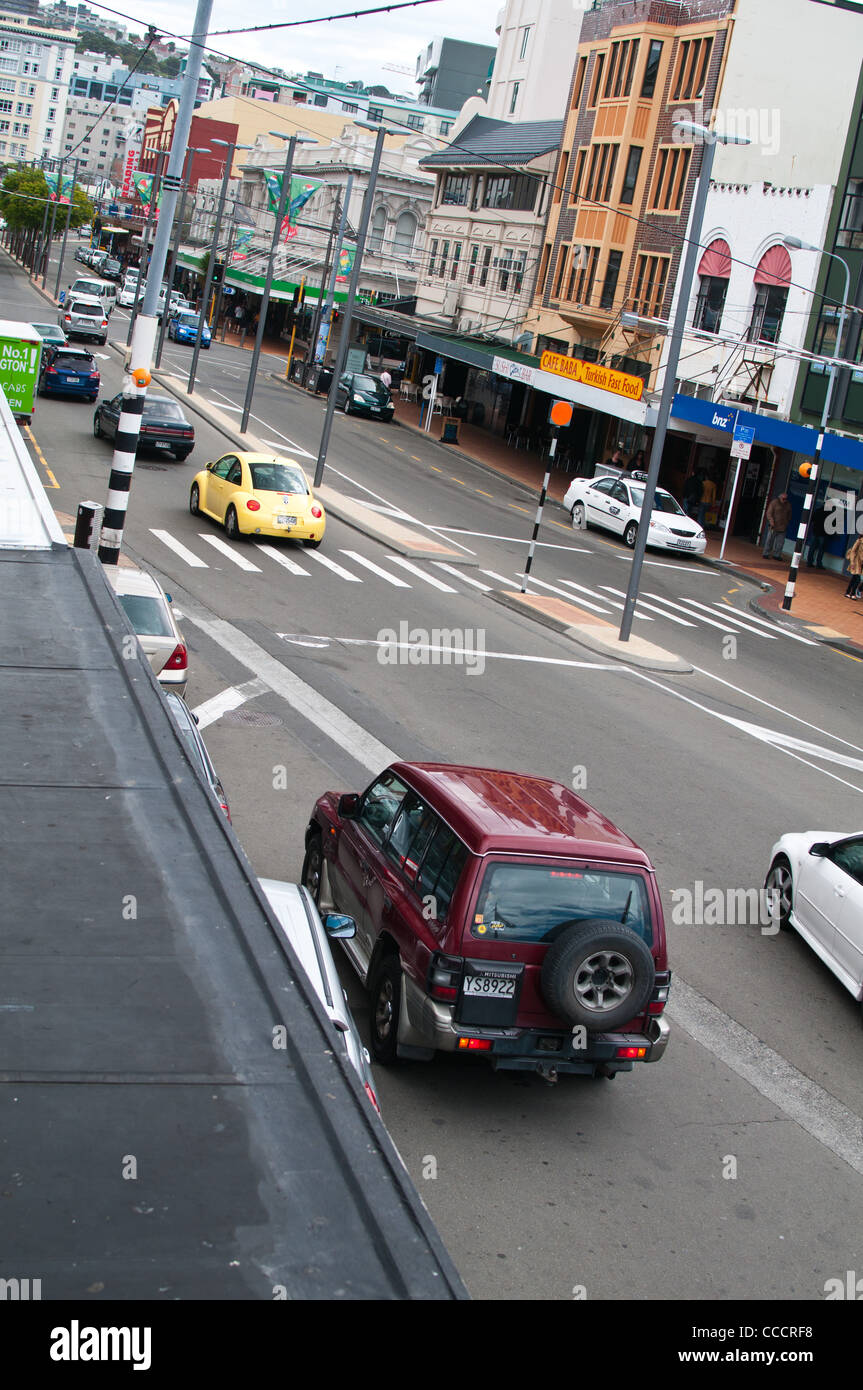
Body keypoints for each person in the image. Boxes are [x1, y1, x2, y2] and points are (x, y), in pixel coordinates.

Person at [762, 491, 792, 559]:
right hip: (774, 526)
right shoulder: (774, 503)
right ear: (780, 497)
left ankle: (777, 555)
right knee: (770, 541)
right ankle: (766, 553)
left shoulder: (788, 505)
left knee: (780, 543)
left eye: (786, 499)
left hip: (783, 526)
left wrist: (787, 522)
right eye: (783, 499)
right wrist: (771, 521)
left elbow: (789, 514)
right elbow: (769, 513)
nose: (785, 500)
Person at [807, 503, 828, 569]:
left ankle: (809, 562)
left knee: (812, 547)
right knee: (821, 549)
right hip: (823, 533)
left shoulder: (818, 510)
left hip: (815, 532)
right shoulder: (829, 513)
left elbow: (812, 520)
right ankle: (819, 563)